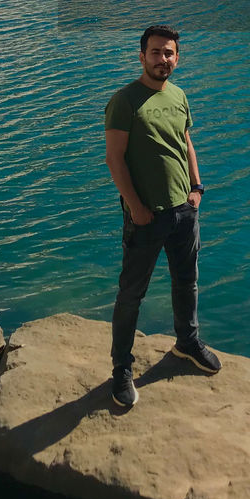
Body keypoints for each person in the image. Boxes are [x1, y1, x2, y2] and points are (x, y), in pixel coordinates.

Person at [105, 23, 221, 407]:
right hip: (147, 216)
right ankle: (121, 369)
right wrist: (135, 207)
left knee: (186, 282)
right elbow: (114, 158)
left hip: (184, 211)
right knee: (131, 296)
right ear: (142, 56)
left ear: (177, 57)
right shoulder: (125, 100)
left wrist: (196, 188)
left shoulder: (179, 95)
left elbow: (185, 141)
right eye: (155, 52)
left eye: (169, 53)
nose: (162, 59)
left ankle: (187, 342)